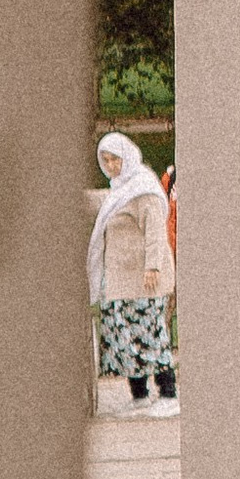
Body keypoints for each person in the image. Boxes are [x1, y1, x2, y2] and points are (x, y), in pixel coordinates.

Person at [88, 131, 177, 413]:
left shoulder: (143, 189)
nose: (111, 166)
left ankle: (168, 393)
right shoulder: (119, 190)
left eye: (115, 159)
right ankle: (139, 394)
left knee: (150, 335)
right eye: (106, 160)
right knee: (126, 338)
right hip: (121, 280)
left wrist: (153, 267)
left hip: (144, 279)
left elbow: (155, 231)